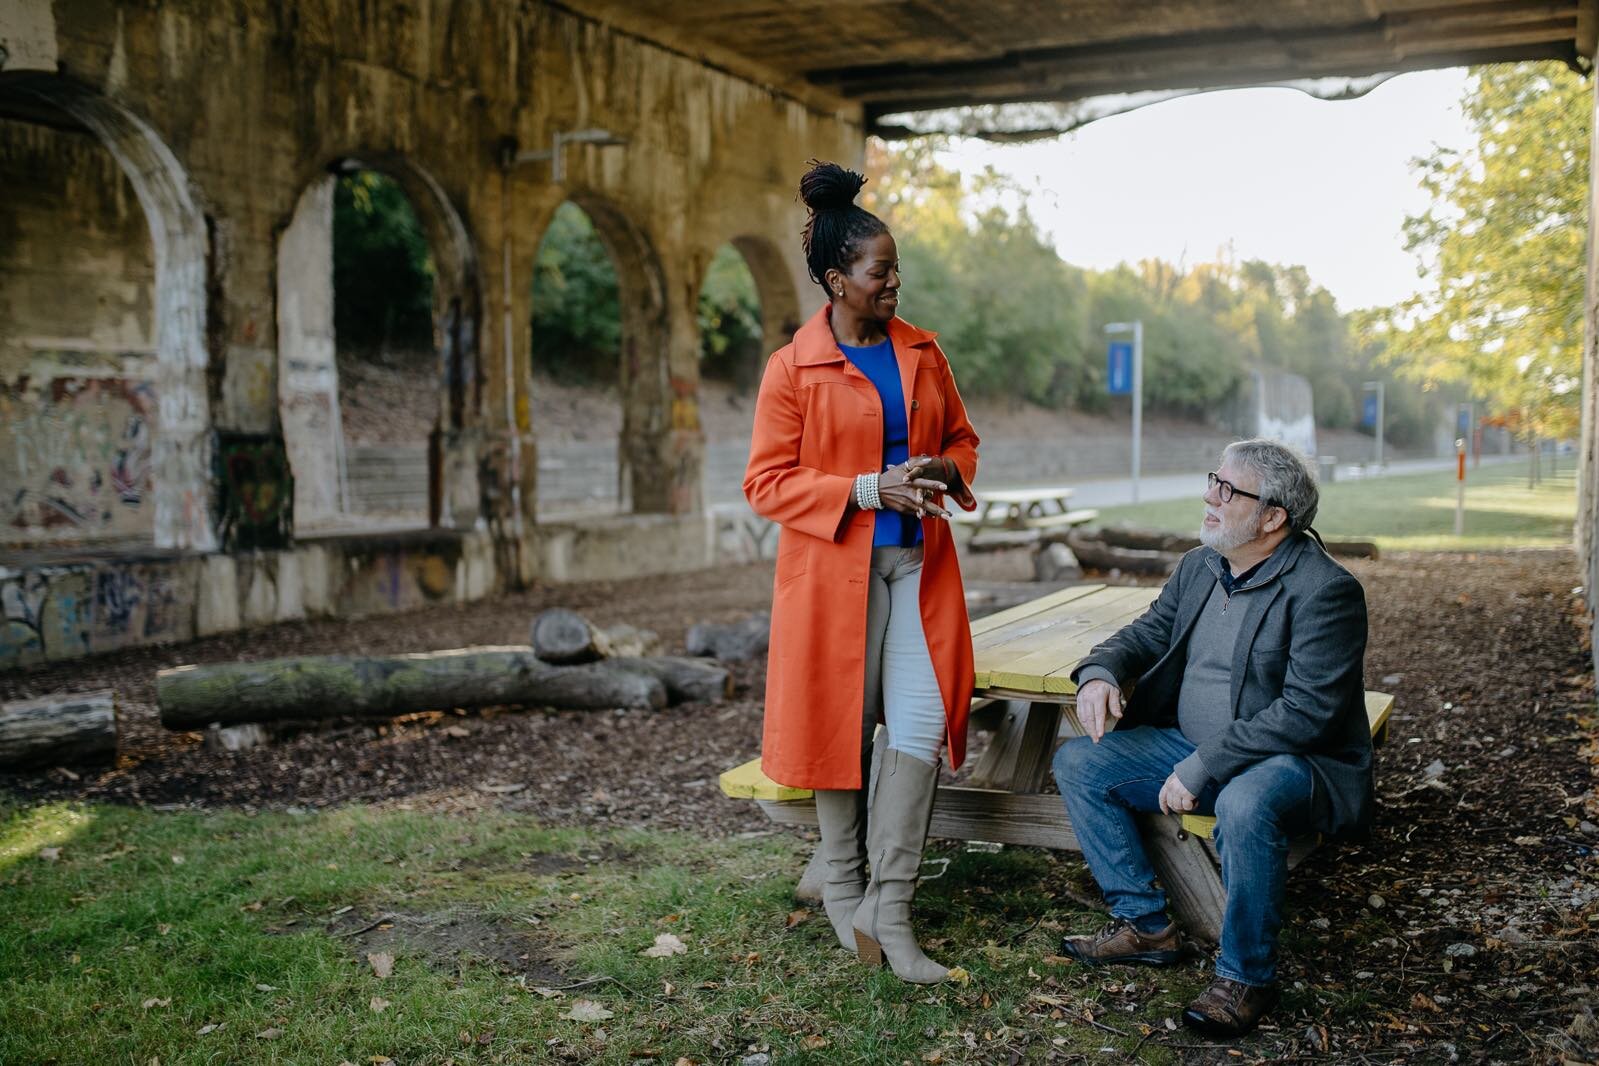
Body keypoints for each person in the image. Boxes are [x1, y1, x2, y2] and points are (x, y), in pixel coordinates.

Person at [742, 160, 980, 984]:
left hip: (916, 568)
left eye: (896, 270)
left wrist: (944, 473)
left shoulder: (922, 351)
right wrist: (862, 487)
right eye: (880, 273)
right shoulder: (791, 368)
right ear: (837, 280)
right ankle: (841, 883)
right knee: (840, 725)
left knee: (918, 726)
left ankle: (891, 909)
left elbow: (961, 441)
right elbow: (765, 483)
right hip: (831, 579)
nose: (893, 283)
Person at [1051, 438, 1371, 1037]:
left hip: (1294, 762)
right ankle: (1144, 926)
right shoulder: (1201, 567)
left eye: (1227, 489)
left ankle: (1246, 976)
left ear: (1273, 517)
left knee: (1243, 803)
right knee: (1080, 763)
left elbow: (1308, 713)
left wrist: (1203, 766)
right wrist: (1099, 672)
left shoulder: (1325, 591)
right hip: (1190, 745)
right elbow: (1147, 632)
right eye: (1212, 481)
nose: (1209, 496)